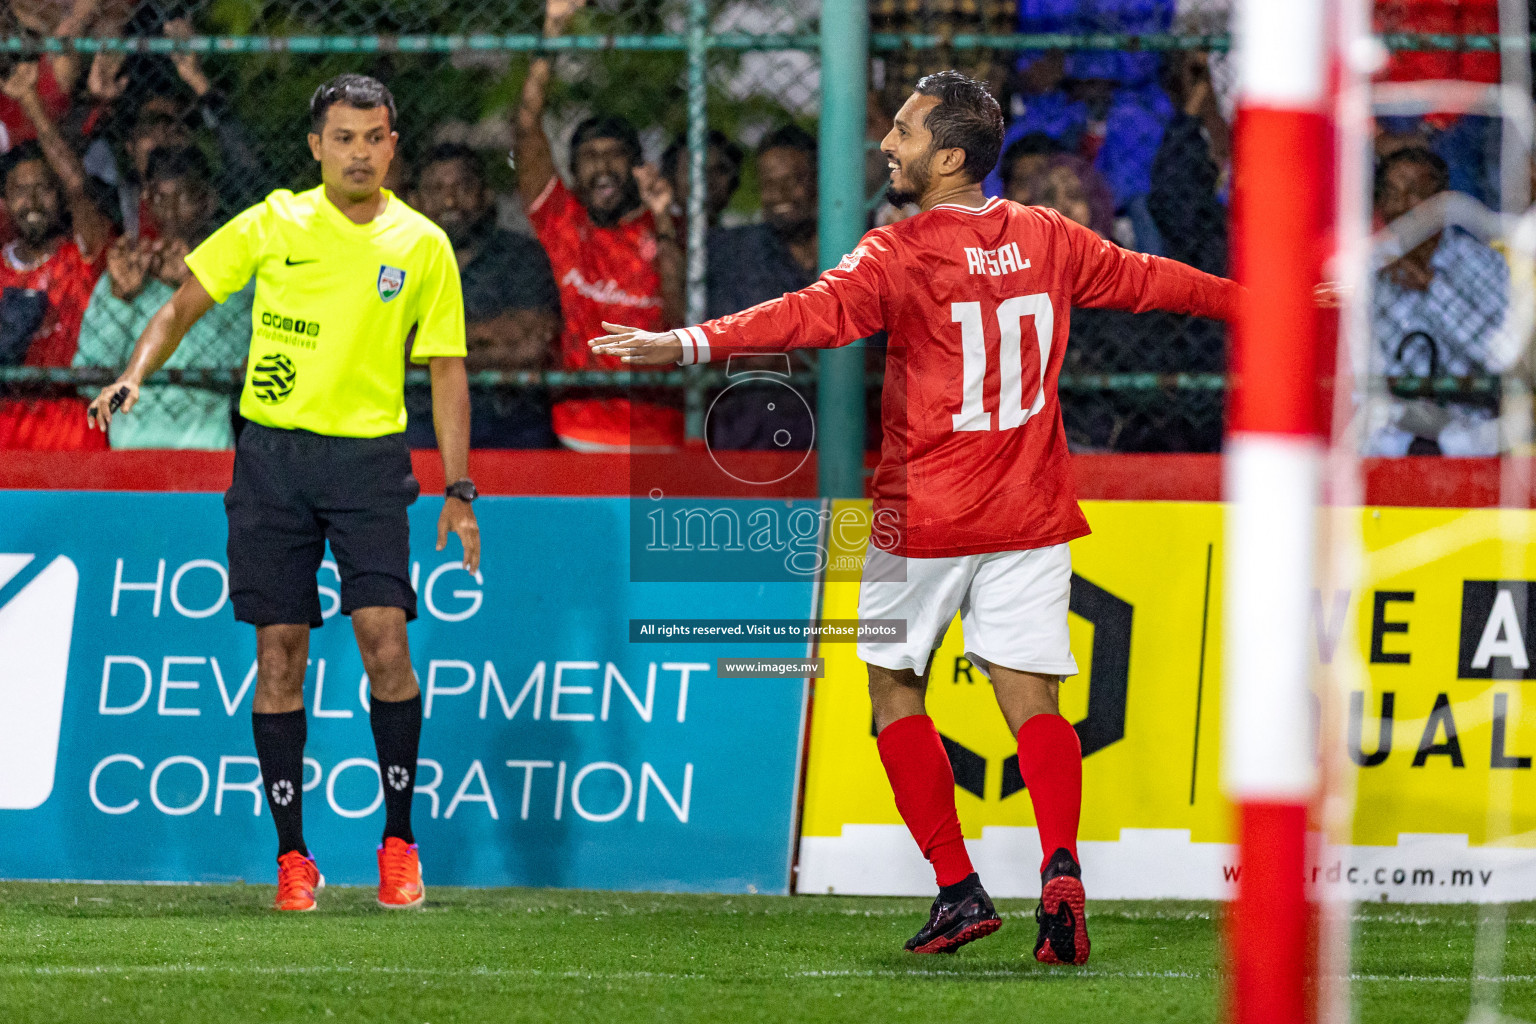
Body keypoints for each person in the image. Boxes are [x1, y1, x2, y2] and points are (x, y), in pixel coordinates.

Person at [592, 70, 1237, 964]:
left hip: (920, 512)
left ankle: (958, 889)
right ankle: (1060, 871)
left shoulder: (900, 251)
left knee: (894, 689)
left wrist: (687, 341)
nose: (887, 145)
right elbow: (1156, 282)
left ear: (950, 156)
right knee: (1033, 701)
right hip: (1030, 507)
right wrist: (1265, 305)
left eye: (902, 132)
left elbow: (807, 316)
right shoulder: (1049, 236)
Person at [86, 74, 479, 913]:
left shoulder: (422, 245)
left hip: (370, 464)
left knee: (386, 643)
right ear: (316, 146)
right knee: (279, 658)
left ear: (392, 145)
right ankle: (293, 858)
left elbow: (447, 370)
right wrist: (132, 374)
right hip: (271, 462)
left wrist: (460, 487)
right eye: (344, 137)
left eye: (374, 137)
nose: (360, 152)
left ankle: (400, 843)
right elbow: (184, 304)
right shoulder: (273, 221)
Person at [513, 0, 684, 451]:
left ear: (637, 166)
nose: (603, 167)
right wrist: (552, 32)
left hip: (656, 429)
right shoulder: (563, 220)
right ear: (572, 171)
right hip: (577, 427)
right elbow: (527, 128)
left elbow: (680, 317)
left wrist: (664, 217)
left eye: (615, 155)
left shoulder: (667, 225)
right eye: (590, 157)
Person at [74, 145, 251, 449]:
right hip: (130, 450)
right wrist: (122, 299)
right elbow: (87, 378)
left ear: (207, 201)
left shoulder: (237, 276)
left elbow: (238, 373)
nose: (168, 210)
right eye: (158, 198)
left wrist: (193, 287)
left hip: (208, 448)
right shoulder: (126, 273)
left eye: (182, 197)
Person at [407, 141, 560, 448]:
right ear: (415, 201)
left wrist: (435, 345)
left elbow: (533, 345)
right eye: (436, 190)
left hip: (510, 420)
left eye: (463, 187)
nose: (450, 201)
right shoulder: (399, 261)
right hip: (424, 421)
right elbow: (392, 347)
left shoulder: (521, 255)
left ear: (486, 195)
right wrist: (494, 337)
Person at [0, 61, 114, 450]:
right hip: (5, 413)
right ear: (5, 201)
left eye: (43, 189)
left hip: (69, 417)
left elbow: (78, 186)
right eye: (19, 191)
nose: (31, 202)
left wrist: (30, 102)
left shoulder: (83, 251)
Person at [1368, 147, 1509, 456]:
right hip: (1389, 429)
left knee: (1464, 444)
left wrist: (1433, 287)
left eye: (1416, 192)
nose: (1404, 206)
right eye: (1392, 193)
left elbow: (1500, 355)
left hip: (1469, 424)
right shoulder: (1369, 271)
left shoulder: (1483, 264)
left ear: (1443, 203)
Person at [660, 129, 743, 230]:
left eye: (719, 170)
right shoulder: (649, 234)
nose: (707, 180)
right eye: (694, 171)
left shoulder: (743, 239)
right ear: (671, 181)